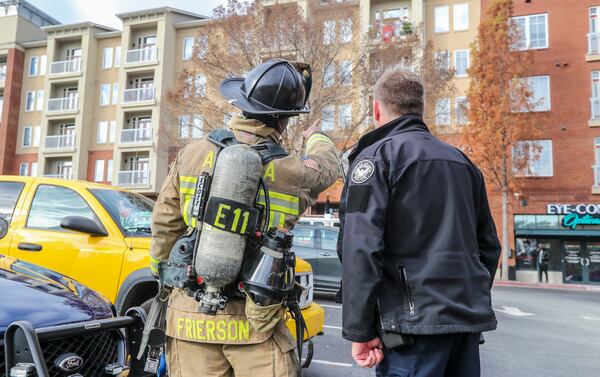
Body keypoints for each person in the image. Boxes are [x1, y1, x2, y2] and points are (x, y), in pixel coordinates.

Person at [150, 59, 340, 376]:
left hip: (189, 319)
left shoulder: (192, 153)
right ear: (283, 120)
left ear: (241, 104)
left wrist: (169, 284)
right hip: (255, 326)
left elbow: (165, 225)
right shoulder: (291, 171)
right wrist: (317, 137)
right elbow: (329, 168)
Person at [338, 68, 501, 377]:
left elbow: (361, 246)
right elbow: (489, 247)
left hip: (411, 331)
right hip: (463, 324)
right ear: (421, 108)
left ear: (376, 109)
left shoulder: (376, 158)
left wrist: (360, 330)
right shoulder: (463, 163)